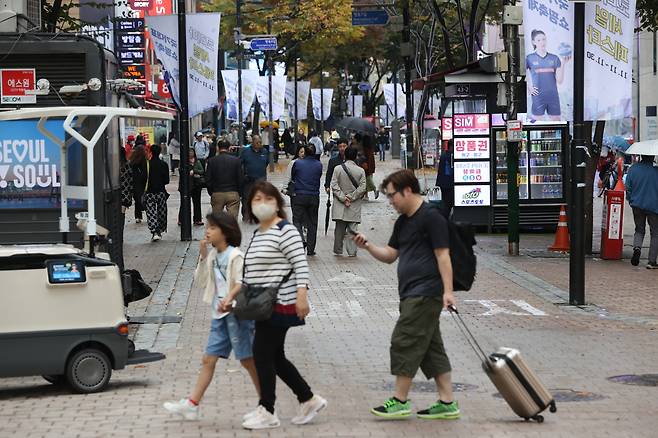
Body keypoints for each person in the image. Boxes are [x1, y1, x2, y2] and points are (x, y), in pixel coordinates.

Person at [352, 169, 459, 421]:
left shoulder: (432, 217)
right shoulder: (403, 222)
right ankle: (447, 402)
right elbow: (390, 255)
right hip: (410, 292)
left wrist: (448, 291)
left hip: (425, 293)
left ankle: (399, 400)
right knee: (432, 351)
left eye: (392, 197)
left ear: (407, 191)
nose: (390, 202)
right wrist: (367, 246)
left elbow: (443, 255)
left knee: (405, 340)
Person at [221, 181, 327, 430]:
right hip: (262, 303)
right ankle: (308, 399)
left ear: (278, 203)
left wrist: (303, 295)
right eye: (256, 200)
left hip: (281, 302)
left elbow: (300, 264)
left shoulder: (285, 231)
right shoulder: (259, 233)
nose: (262, 204)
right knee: (275, 356)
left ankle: (267, 409)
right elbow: (250, 272)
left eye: (267, 199)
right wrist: (232, 297)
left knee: (262, 354)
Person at [163, 212, 260, 421]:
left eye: (212, 227)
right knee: (209, 359)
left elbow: (243, 283)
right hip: (219, 315)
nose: (207, 230)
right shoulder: (214, 256)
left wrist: (230, 299)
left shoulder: (236, 256)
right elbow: (202, 281)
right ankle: (192, 404)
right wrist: (203, 253)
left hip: (236, 316)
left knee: (247, 360)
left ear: (225, 232)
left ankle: (266, 403)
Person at [525, 29, 570, 121]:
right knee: (537, 123)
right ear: (534, 42)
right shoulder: (529, 58)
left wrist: (563, 63)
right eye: (539, 40)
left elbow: (560, 80)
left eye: (544, 39)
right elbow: (523, 74)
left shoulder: (554, 58)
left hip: (552, 95)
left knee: (557, 122)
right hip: (538, 96)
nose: (542, 42)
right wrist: (529, 86)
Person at [330, 146, 366, 257]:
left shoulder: (337, 169)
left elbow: (334, 185)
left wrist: (343, 197)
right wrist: (351, 197)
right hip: (354, 205)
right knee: (353, 230)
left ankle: (338, 250)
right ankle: (352, 252)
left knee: (339, 230)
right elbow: (363, 187)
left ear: (345, 155)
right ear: (356, 157)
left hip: (340, 204)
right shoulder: (360, 171)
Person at [625, 155, 658, 268]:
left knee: (639, 229)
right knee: (655, 233)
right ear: (652, 156)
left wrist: (630, 199)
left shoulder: (633, 169)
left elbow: (628, 187)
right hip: (654, 206)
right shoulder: (656, 171)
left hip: (637, 205)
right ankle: (651, 261)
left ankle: (637, 248)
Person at [290, 144, 323, 256]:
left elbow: (293, 177)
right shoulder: (319, 165)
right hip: (313, 196)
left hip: (299, 195)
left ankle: (300, 241)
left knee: (297, 220)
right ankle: (310, 249)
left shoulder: (297, 163)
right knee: (312, 223)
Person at [206, 140, 244, 219]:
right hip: (233, 193)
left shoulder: (212, 161)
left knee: (217, 220)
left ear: (218, 148)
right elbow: (240, 178)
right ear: (229, 148)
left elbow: (208, 179)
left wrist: (212, 192)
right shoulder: (236, 161)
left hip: (217, 192)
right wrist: (239, 193)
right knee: (232, 220)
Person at [142, 144, 170, 241]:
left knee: (151, 212)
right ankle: (160, 229)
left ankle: (154, 230)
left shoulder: (147, 164)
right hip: (161, 192)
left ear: (151, 152)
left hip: (149, 192)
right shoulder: (164, 165)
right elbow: (167, 180)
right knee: (161, 211)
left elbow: (143, 179)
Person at [240, 134, 269, 220]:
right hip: (249, 179)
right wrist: (244, 174)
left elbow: (266, 163)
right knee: (247, 198)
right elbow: (240, 163)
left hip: (261, 178)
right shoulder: (246, 151)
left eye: (260, 142)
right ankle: (246, 215)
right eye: (257, 142)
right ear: (252, 142)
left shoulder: (264, 151)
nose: (259, 144)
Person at [178, 149, 205, 226]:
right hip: (186, 185)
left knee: (197, 203)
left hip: (196, 185)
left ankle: (197, 219)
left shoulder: (197, 161)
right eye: (189, 152)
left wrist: (194, 170)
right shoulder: (183, 161)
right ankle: (181, 219)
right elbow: (181, 171)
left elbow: (202, 171)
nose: (191, 153)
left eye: (192, 152)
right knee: (184, 202)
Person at [129, 146, 147, 224]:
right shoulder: (144, 160)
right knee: (144, 198)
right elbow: (145, 172)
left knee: (137, 200)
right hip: (142, 182)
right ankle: (147, 213)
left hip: (134, 182)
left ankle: (138, 217)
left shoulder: (132, 161)